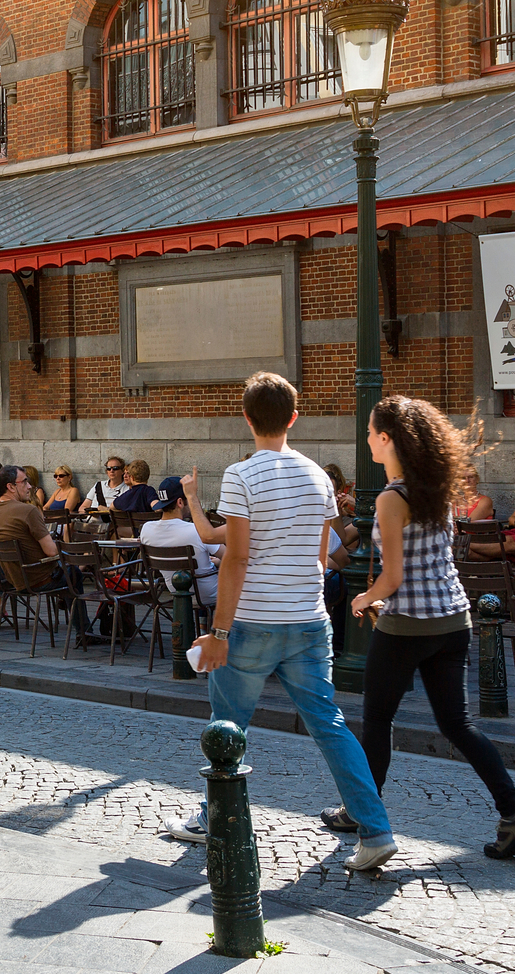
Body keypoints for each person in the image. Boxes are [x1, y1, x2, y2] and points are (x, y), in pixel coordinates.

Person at [172, 372, 397, 873]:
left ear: (247, 418)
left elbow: (236, 558)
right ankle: (376, 828)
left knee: (227, 725)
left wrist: (221, 632)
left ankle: (213, 816)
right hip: (309, 621)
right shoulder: (319, 476)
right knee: (330, 725)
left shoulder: (242, 475)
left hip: (254, 620)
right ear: (294, 418)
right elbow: (321, 558)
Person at [346, 396, 515, 860]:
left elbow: (392, 578)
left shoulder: (393, 498)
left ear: (387, 438)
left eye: (371, 431)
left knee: (377, 719)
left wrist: (363, 597)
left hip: (407, 624)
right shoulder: (436, 488)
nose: (368, 438)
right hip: (454, 619)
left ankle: (364, 814)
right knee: (458, 724)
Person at [139, 474, 224, 605]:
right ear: (180, 502)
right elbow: (231, 556)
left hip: (176, 593)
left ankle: (201, 625)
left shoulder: (146, 529)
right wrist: (218, 562)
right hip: (209, 595)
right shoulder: (196, 530)